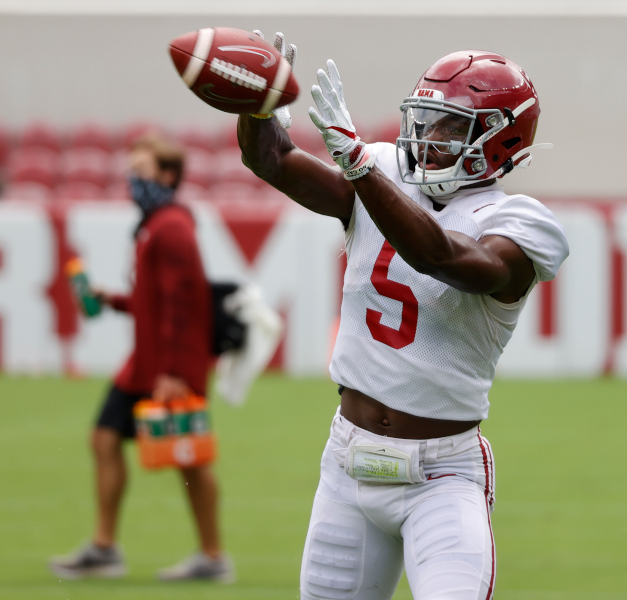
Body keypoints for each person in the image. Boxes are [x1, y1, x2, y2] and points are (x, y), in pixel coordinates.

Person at [237, 33, 568, 600]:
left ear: (500, 140)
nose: (429, 138)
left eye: (450, 126)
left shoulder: (521, 223)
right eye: (428, 119)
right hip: (347, 462)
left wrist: (363, 166)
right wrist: (258, 106)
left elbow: (445, 257)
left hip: (442, 476)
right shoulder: (387, 169)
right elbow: (271, 158)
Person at [49, 133, 234, 583]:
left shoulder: (170, 225)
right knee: (105, 439)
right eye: (131, 173)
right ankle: (105, 547)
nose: (133, 182)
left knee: (188, 459)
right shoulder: (158, 223)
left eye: (142, 173)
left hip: (168, 366)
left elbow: (181, 302)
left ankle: (211, 557)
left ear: (168, 176)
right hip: (147, 364)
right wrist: (111, 301)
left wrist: (172, 372)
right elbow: (155, 300)